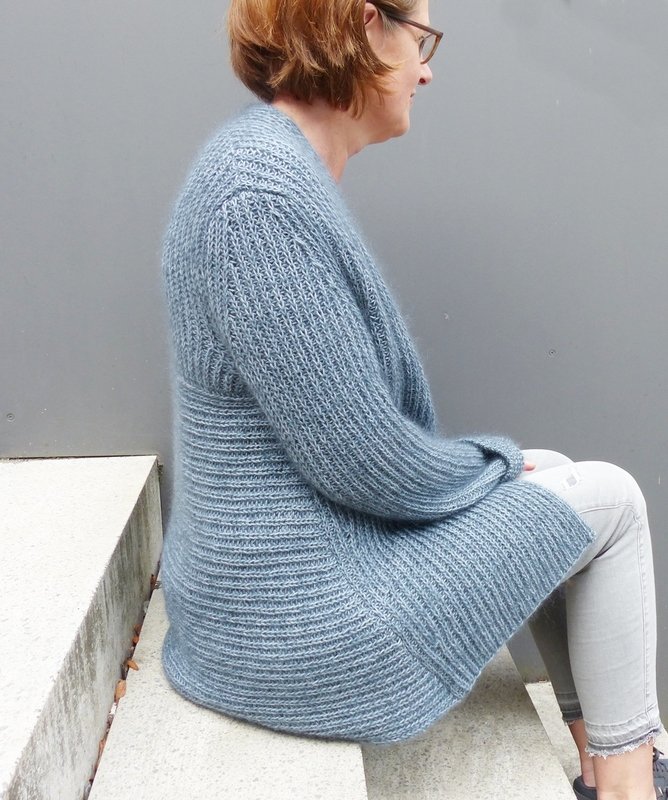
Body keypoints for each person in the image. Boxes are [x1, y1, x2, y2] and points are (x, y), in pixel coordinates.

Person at [160, 1, 664, 797]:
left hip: (264, 598)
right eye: (421, 39)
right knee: (615, 500)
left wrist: (500, 472)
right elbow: (358, 461)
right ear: (366, 25)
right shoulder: (257, 200)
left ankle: (602, 761)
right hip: (287, 624)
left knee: (552, 478)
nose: (426, 71)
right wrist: (493, 466)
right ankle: (635, 786)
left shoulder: (263, 170)